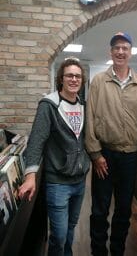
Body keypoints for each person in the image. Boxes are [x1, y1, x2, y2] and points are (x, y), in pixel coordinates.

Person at [85, 32, 137, 256]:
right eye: (116, 48)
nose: (121, 52)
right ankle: (98, 251)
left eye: (125, 48)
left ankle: (117, 250)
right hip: (105, 156)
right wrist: (95, 154)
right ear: (110, 52)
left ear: (131, 52)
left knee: (124, 209)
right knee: (99, 209)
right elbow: (90, 117)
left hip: (130, 157)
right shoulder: (98, 82)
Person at [18, 58, 90, 256]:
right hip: (58, 182)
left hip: (79, 180)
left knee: (70, 229)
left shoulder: (84, 105)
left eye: (78, 76)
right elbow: (36, 140)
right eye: (69, 75)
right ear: (61, 79)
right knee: (58, 235)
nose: (74, 79)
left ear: (82, 80)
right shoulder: (48, 104)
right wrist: (30, 174)